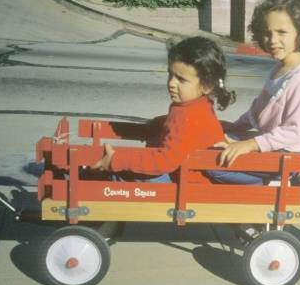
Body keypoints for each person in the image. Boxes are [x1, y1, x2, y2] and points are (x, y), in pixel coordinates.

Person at [212, 0, 300, 184]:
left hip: (284, 158)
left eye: (282, 32)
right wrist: (235, 128)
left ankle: (270, 187)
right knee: (215, 144)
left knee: (214, 166)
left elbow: (294, 132)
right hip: (271, 146)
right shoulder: (280, 69)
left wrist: (249, 145)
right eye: (267, 33)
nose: (272, 40)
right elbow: (258, 109)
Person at [92, 36, 235, 182]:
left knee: (134, 176)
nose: (172, 83)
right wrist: (161, 122)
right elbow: (179, 127)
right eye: (170, 74)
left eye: (181, 79)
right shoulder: (195, 106)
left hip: (187, 186)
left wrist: (117, 160)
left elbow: (164, 161)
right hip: (179, 175)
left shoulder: (190, 117)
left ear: (207, 86)